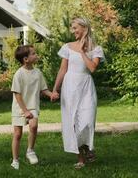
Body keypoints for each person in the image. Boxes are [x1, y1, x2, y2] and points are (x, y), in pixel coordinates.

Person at [51, 17, 104, 169]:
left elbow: (92, 68)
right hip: (70, 87)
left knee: (87, 120)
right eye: (72, 28)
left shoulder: (96, 48)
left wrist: (81, 51)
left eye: (75, 28)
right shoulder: (67, 47)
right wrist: (55, 89)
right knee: (72, 122)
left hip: (86, 87)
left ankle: (87, 147)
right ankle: (80, 158)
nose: (72, 31)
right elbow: (63, 69)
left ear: (84, 28)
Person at [10, 45, 53, 170]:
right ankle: (15, 160)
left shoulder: (38, 73)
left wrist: (51, 94)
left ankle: (30, 150)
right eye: (33, 53)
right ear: (26, 59)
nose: (36, 55)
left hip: (32, 106)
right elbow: (17, 94)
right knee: (17, 134)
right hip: (20, 107)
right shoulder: (19, 74)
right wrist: (25, 111)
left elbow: (43, 89)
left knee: (34, 126)